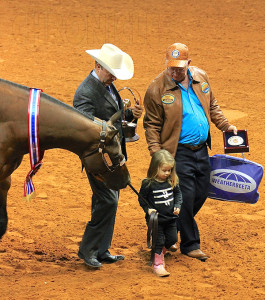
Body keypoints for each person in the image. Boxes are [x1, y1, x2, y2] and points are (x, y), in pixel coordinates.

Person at [143, 43, 237, 261]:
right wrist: (157, 154)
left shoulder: (201, 77)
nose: (175, 72)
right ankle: (190, 244)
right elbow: (152, 125)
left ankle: (166, 226)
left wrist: (225, 125)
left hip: (201, 150)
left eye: (180, 68)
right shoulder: (157, 88)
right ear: (166, 64)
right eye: (171, 68)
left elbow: (212, 105)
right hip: (177, 152)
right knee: (185, 197)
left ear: (189, 64)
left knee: (202, 192)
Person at [73, 43, 143, 268]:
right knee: (108, 201)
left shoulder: (107, 85)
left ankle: (102, 249)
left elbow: (115, 116)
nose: (114, 77)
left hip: (112, 158)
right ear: (97, 66)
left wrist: (131, 114)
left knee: (109, 201)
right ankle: (88, 250)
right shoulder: (85, 93)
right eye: (111, 72)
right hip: (98, 159)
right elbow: (85, 127)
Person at [138, 149, 182, 277]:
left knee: (172, 239)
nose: (167, 173)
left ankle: (159, 252)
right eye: (164, 170)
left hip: (170, 218)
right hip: (156, 219)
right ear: (155, 168)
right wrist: (148, 209)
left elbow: (178, 194)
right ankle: (158, 264)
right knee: (158, 240)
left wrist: (177, 206)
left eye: (169, 170)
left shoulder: (172, 180)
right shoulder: (148, 183)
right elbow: (142, 199)